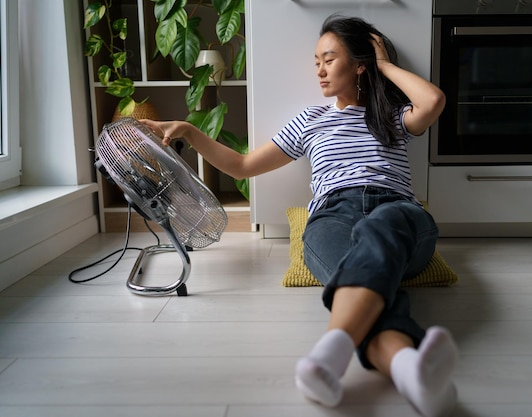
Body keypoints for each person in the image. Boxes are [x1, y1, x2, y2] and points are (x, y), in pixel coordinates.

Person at [142, 15, 459, 417]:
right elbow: (242, 166)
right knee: (371, 278)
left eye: (329, 59)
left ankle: (330, 355)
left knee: (379, 232)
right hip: (333, 215)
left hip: (397, 211)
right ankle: (410, 372)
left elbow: (433, 102)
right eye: (316, 61)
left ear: (360, 63)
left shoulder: (394, 113)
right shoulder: (311, 120)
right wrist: (190, 130)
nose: (320, 70)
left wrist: (384, 65)